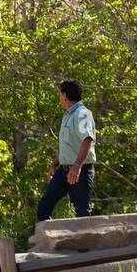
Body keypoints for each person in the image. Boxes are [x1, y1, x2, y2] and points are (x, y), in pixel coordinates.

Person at [36, 80, 96, 222]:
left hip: (80, 172)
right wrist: (55, 164)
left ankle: (86, 243)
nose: (59, 98)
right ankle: (47, 241)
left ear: (64, 95)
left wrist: (77, 166)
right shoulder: (68, 115)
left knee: (82, 214)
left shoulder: (82, 114)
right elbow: (67, 145)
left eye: (59, 94)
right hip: (63, 171)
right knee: (44, 206)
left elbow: (87, 140)